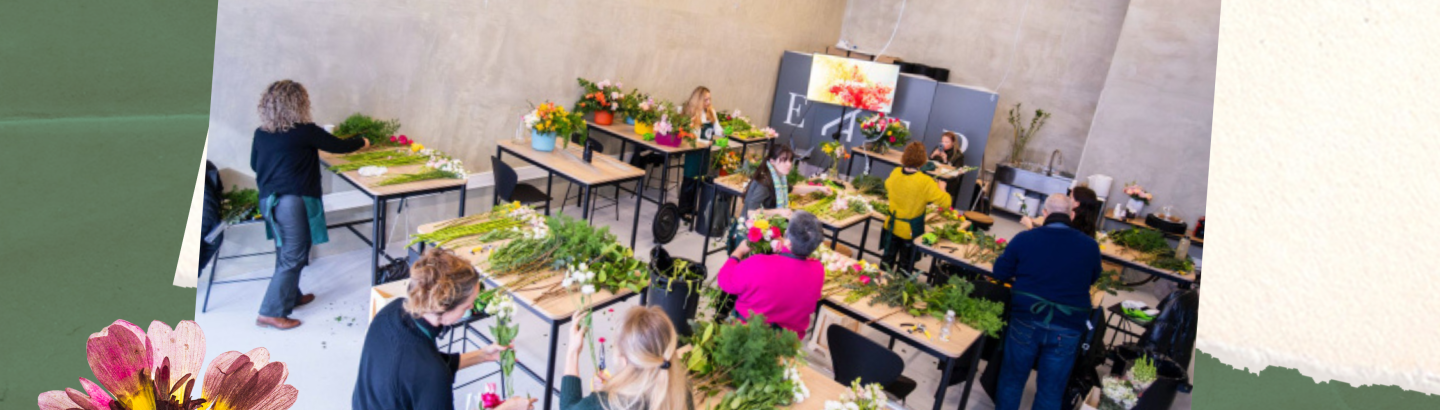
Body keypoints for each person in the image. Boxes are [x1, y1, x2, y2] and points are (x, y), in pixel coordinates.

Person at [250, 80, 369, 329]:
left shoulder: (261, 133)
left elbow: (254, 164)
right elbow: (340, 146)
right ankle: (270, 312)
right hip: (290, 201)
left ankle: (291, 295)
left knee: (287, 250)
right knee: (293, 255)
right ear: (298, 104)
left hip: (269, 200)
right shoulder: (305, 131)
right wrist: (363, 142)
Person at [353, 249, 534, 410]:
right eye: (466, 307)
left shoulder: (392, 311)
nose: (470, 310)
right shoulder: (432, 375)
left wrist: (483, 355)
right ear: (444, 308)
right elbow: (426, 370)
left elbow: (418, 367)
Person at [990, 194, 1102, 410]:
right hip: (1069, 325)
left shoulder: (1026, 239)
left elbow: (1000, 272)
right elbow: (1092, 278)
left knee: (1012, 380)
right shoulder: (1090, 246)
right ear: (1071, 214)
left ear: (1044, 213)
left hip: (1026, 317)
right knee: (1051, 390)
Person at [716, 211, 826, 338]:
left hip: (748, 336)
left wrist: (738, 252)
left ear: (788, 241)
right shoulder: (818, 269)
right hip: (787, 342)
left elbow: (725, 282)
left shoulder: (759, 263)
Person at [560, 306, 693, 410]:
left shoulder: (602, 404)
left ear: (623, 360)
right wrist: (617, 387)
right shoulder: (680, 392)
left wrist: (573, 351)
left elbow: (567, 408)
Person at [881, 142, 951, 272]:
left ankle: (879, 286)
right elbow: (945, 203)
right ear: (923, 160)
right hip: (909, 231)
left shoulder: (895, 172)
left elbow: (887, 186)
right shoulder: (925, 182)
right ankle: (899, 290)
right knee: (905, 266)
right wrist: (942, 187)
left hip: (891, 225)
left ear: (904, 157)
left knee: (886, 261)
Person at [740, 144, 831, 216]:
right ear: (772, 161)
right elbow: (751, 212)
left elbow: (793, 189)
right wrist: (779, 212)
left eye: (790, 160)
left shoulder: (778, 178)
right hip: (751, 232)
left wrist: (818, 188)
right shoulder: (764, 183)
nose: (789, 164)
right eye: (784, 160)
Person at [677, 86, 725, 221]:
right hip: (694, 151)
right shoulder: (691, 114)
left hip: (705, 151)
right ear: (698, 100)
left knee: (700, 179)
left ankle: (692, 208)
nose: (708, 102)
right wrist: (706, 142)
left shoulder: (711, 112)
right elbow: (691, 136)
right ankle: (683, 210)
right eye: (705, 100)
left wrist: (723, 132)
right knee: (690, 180)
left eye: (709, 99)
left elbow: (717, 129)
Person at [1019, 186, 1101, 238]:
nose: (1067, 199)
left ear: (1077, 204)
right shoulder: (1088, 228)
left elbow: (1045, 242)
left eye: (1070, 197)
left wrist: (1029, 226)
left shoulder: (1069, 225)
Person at [929, 131, 965, 200]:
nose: (943, 144)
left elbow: (956, 172)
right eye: (942, 141)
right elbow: (927, 164)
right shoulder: (938, 148)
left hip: (947, 184)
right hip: (933, 179)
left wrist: (945, 161)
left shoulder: (958, 155)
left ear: (953, 143)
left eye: (946, 142)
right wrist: (932, 155)